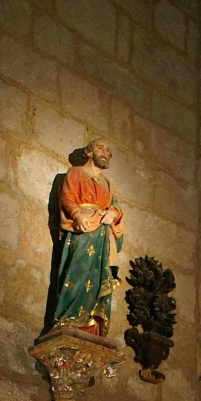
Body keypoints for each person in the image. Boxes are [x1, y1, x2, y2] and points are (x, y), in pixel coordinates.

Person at [50, 138, 124, 336]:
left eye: (108, 150)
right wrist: (76, 214)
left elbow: (115, 206)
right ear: (89, 152)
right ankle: (69, 319)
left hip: (102, 234)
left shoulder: (108, 184)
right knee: (78, 270)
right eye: (100, 148)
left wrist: (113, 213)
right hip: (83, 228)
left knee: (98, 276)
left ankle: (91, 327)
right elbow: (67, 195)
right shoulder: (76, 172)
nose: (105, 152)